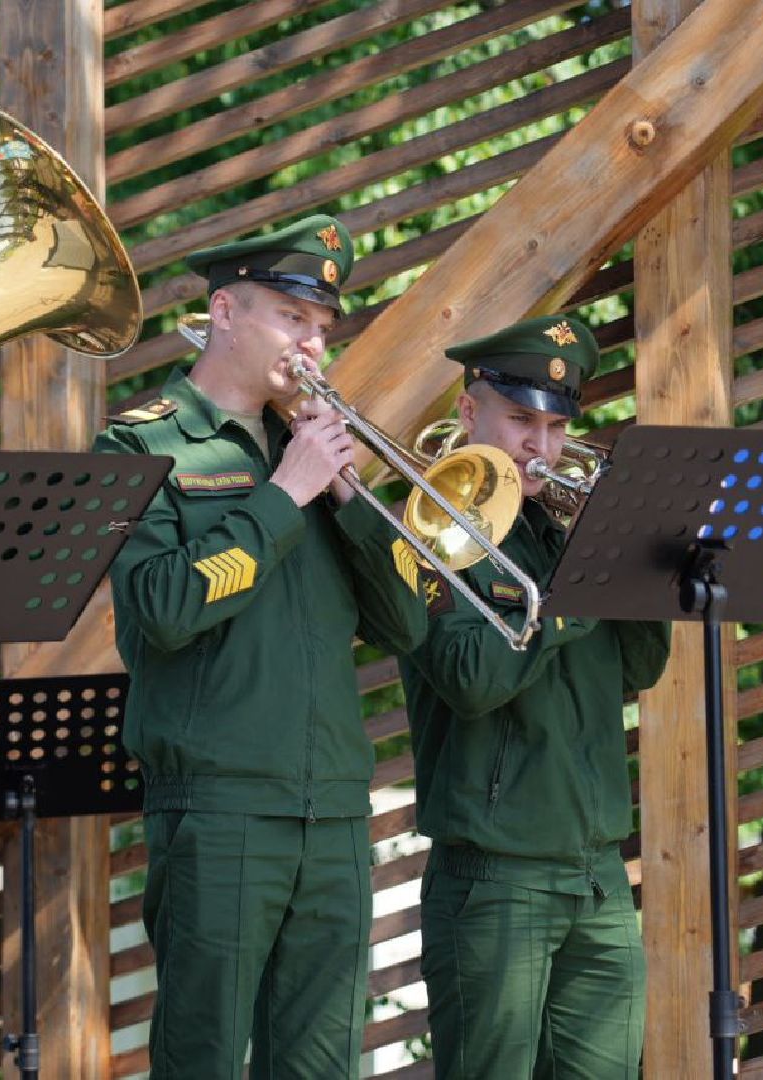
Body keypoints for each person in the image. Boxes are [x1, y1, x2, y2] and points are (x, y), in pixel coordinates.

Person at [94, 214, 428, 1078]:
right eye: (291, 317)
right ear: (225, 312)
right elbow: (161, 609)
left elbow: (406, 625)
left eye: (322, 327)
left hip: (334, 806)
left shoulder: (316, 454)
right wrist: (284, 496)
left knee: (320, 1066)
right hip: (218, 806)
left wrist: (349, 499)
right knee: (201, 1057)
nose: (312, 344)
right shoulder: (140, 442)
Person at [398, 315, 673, 1078]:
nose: (540, 448)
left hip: (595, 869)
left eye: (555, 428)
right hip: (496, 874)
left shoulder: (558, 533)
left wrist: (621, 559)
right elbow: (470, 682)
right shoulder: (436, 531)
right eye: (520, 418)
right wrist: (571, 592)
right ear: (467, 413)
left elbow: (637, 669)